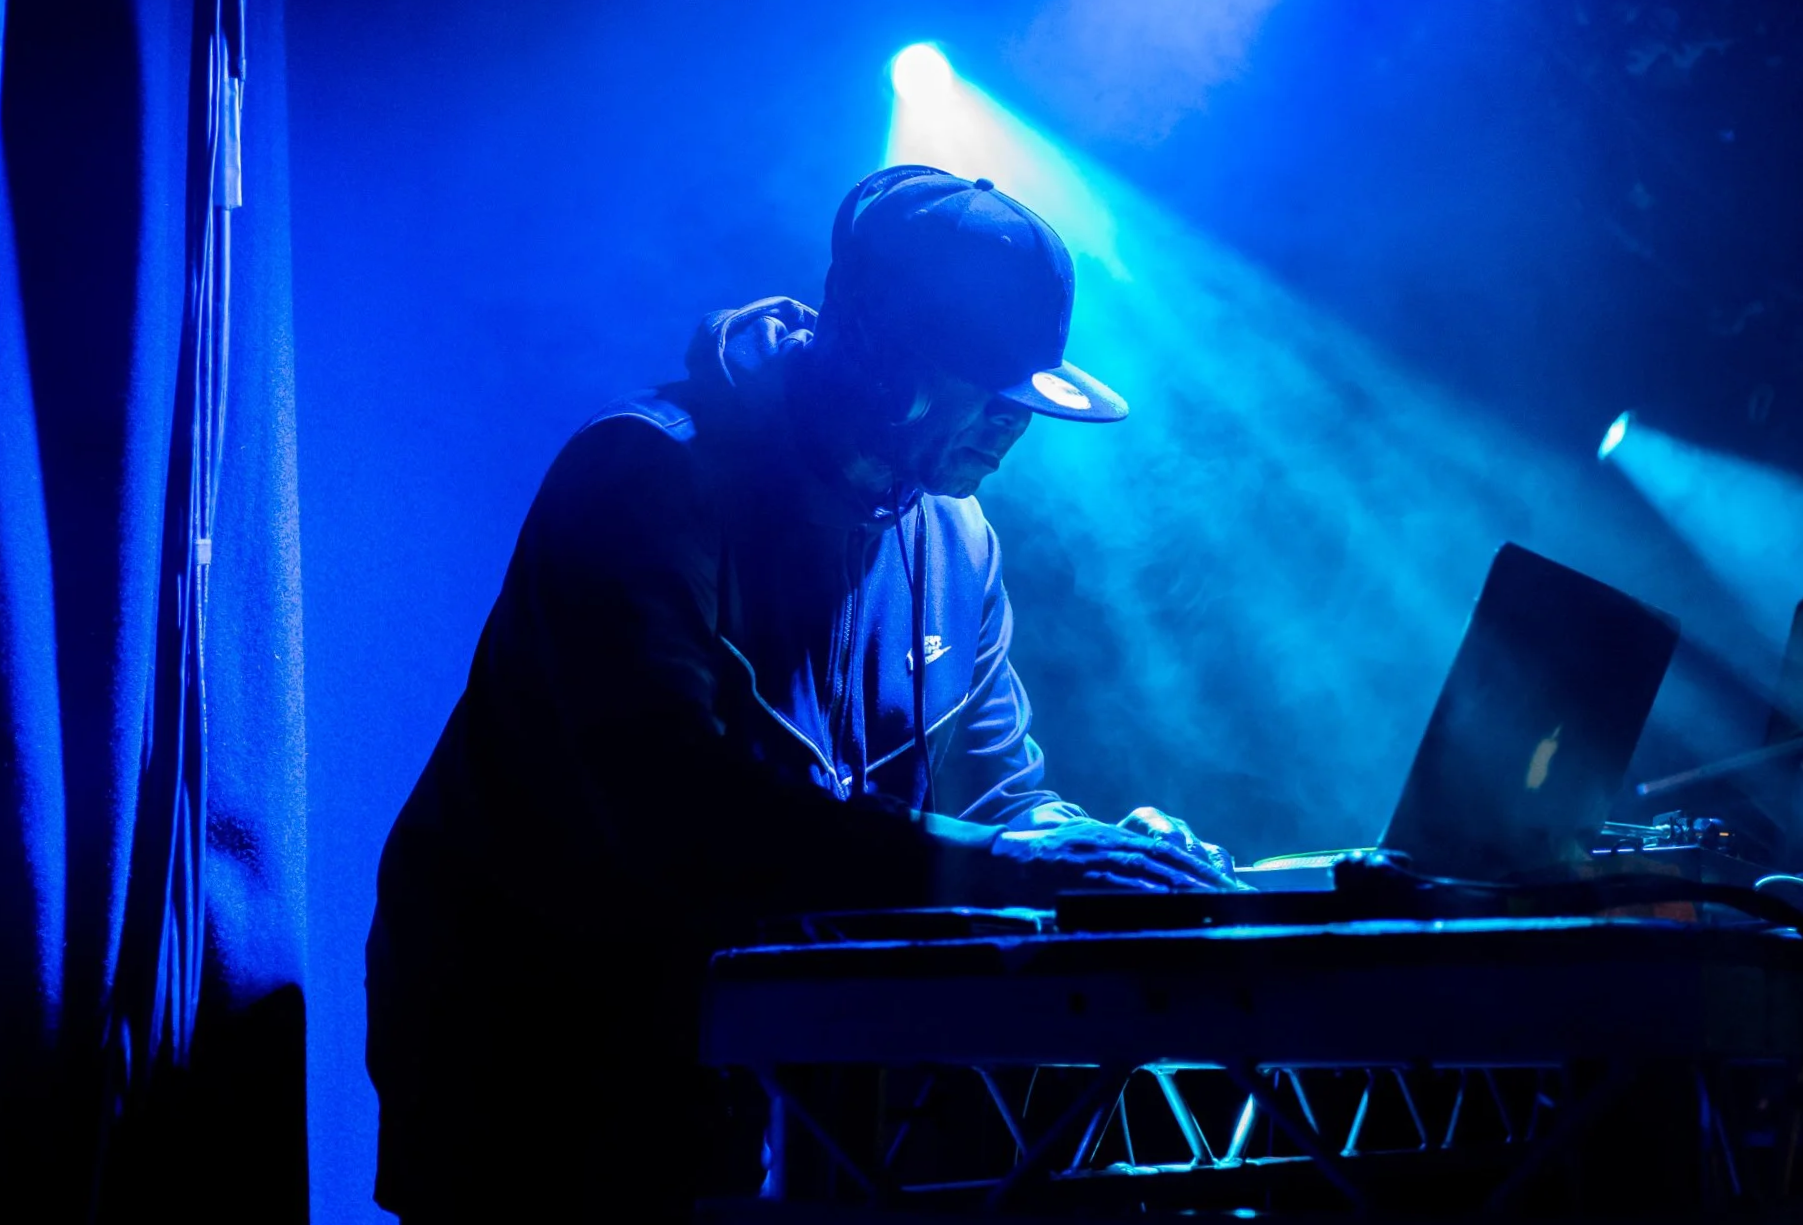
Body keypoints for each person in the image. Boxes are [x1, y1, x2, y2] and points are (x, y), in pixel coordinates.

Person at [366, 166, 1238, 1220]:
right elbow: (672, 813)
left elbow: (1001, 794)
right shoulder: (643, 479)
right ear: (872, 345)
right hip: (537, 1051)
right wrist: (1011, 858)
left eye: (1026, 397)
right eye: (984, 387)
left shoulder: (957, 541)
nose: (1013, 427)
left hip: (763, 1066)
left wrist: (1107, 853)